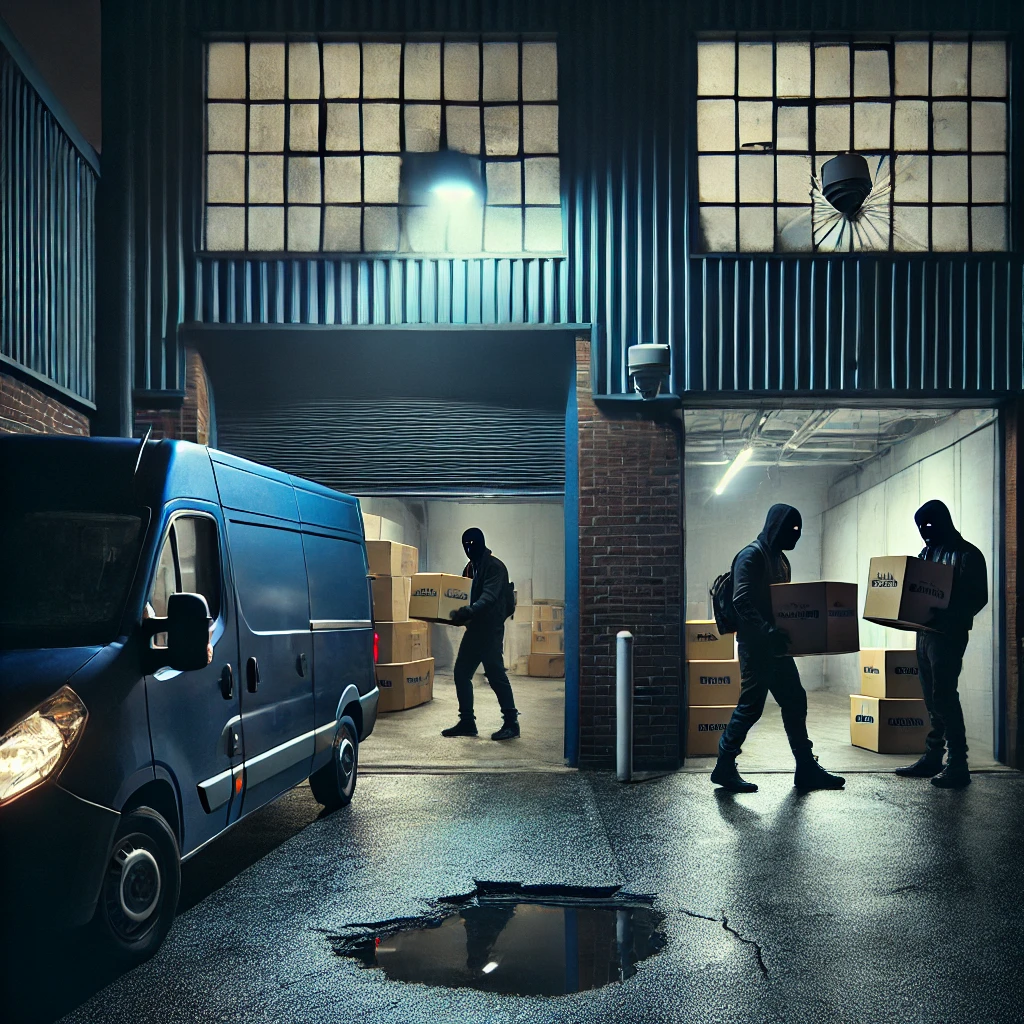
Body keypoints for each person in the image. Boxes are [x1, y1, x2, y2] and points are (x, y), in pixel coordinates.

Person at [711, 503, 846, 795]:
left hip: (775, 648)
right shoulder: (752, 555)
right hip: (757, 647)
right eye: (792, 529)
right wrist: (767, 631)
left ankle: (806, 767)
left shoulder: (780, 560)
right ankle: (724, 764)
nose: (796, 535)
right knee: (751, 708)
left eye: (799, 530)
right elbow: (741, 600)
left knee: (795, 701)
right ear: (777, 527)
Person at [894, 500, 988, 789]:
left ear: (944, 521)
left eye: (930, 524)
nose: (924, 531)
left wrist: (948, 615)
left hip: (948, 635)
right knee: (932, 699)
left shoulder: (968, 555)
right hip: (924, 633)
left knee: (945, 696)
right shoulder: (927, 552)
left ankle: (958, 763)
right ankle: (934, 757)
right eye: (920, 526)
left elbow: (978, 598)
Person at [441, 528, 520, 741]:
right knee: (461, 673)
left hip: (490, 631)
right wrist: (456, 613)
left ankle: (511, 723)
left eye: (472, 544)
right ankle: (467, 721)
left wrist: (470, 611)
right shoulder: (470, 568)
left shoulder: (495, 567)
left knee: (495, 675)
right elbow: (462, 594)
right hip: (475, 629)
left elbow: (489, 596)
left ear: (482, 543)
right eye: (465, 544)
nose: (468, 548)